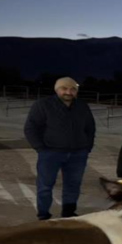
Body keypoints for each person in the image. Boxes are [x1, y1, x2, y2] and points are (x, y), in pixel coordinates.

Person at [24, 77, 96, 220]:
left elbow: (90, 128)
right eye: (64, 88)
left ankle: (69, 213)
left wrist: (87, 147)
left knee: (73, 185)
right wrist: (41, 148)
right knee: (45, 186)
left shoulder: (82, 106)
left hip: (78, 154)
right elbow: (31, 128)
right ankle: (44, 215)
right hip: (51, 153)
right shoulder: (43, 104)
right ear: (57, 90)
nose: (68, 92)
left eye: (72, 89)